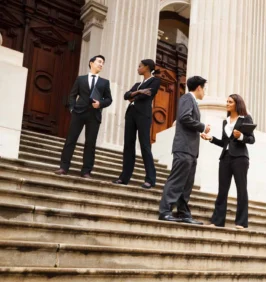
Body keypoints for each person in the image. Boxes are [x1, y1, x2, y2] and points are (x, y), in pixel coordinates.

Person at [157, 76, 210, 224]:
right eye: (204, 88)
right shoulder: (187, 98)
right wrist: (202, 126)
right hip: (184, 148)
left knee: (187, 184)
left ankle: (183, 213)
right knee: (176, 181)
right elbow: (184, 118)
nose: (204, 92)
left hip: (191, 150)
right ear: (199, 87)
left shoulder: (192, 101)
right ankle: (165, 211)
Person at [202, 94, 255, 229]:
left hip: (240, 158)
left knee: (241, 189)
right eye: (226, 101)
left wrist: (241, 136)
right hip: (225, 157)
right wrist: (210, 138)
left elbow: (251, 139)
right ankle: (217, 221)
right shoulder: (225, 121)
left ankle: (241, 222)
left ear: (237, 104)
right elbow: (224, 142)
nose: (227, 104)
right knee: (222, 190)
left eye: (230, 102)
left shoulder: (246, 118)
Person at [56, 55, 113, 178]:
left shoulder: (104, 82)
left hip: (94, 115)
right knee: (71, 140)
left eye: (103, 62)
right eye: (99, 61)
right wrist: (72, 108)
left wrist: (100, 104)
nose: (101, 64)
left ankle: (86, 171)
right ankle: (63, 167)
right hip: (79, 113)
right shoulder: (80, 79)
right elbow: (72, 95)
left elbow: (109, 99)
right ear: (91, 63)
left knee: (90, 143)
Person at [113, 59, 161, 189]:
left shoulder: (155, 81)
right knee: (128, 145)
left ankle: (150, 179)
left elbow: (148, 95)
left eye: (140, 66)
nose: (138, 68)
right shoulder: (137, 84)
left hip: (143, 115)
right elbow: (126, 96)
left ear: (147, 67)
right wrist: (139, 92)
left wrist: (134, 96)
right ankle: (124, 178)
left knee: (145, 145)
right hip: (131, 114)